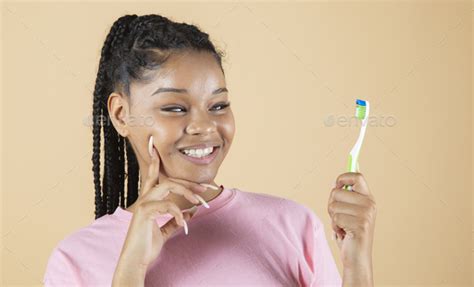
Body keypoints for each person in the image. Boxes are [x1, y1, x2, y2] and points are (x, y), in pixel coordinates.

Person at [43, 14, 376, 287]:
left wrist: (356, 262)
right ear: (121, 115)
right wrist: (132, 266)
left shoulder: (293, 226)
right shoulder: (76, 260)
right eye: (175, 108)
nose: (205, 126)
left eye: (218, 105)